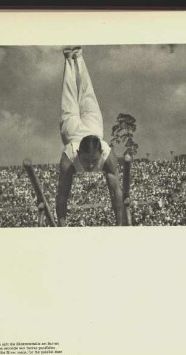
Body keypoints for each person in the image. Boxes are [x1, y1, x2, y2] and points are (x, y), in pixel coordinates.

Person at [56, 46, 124, 227]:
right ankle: (72, 59)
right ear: (78, 154)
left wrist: (120, 225)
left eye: (93, 161)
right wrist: (62, 227)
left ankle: (75, 58)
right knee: (77, 95)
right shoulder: (69, 158)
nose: (91, 166)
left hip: (78, 130)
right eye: (86, 162)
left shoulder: (108, 157)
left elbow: (115, 192)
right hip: (74, 135)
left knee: (83, 95)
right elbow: (62, 195)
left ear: (101, 151)